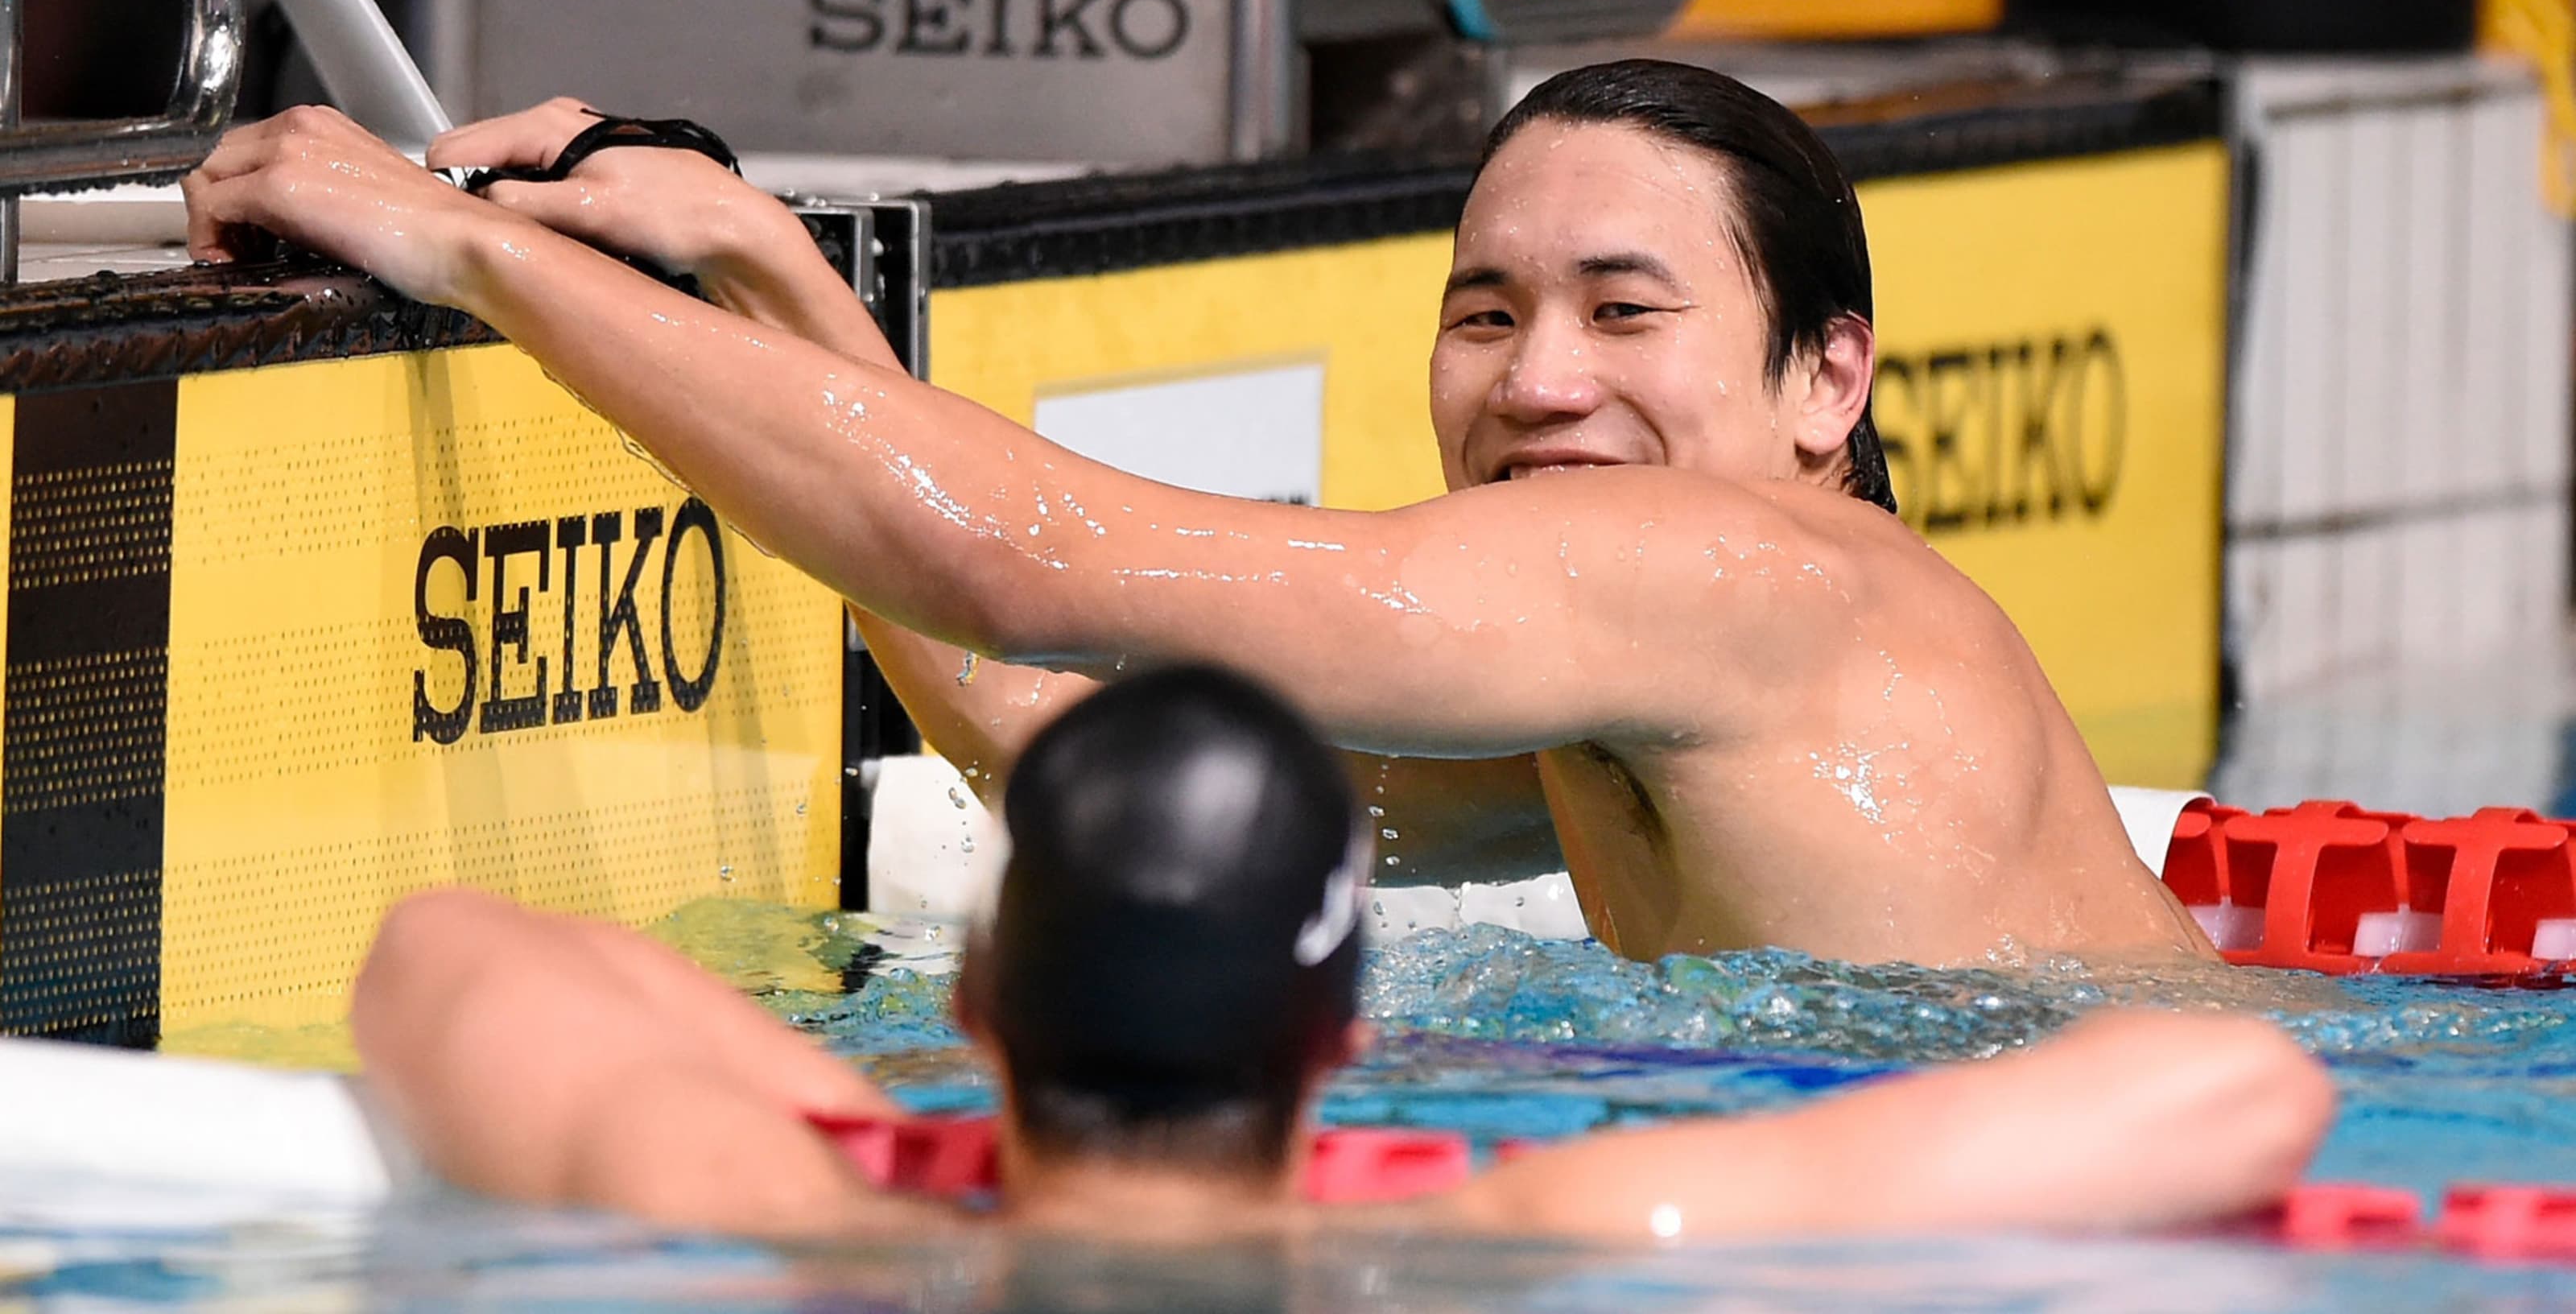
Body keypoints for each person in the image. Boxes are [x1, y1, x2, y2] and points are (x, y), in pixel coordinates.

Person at [183, 60, 2212, 966]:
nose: (1539, 379)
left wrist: (475, 263)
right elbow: (1059, 737)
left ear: (1827, 382)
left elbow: (1022, 561)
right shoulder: (1671, 700)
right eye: (1484, 310)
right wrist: (771, 271)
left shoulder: (1729, 569)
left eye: (1626, 311)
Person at [353, 664, 2332, 1244]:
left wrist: (834, 1156)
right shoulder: (1528, 1244)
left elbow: (444, 953)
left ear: (972, 1008)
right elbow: (2240, 1082)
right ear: (1352, 1031)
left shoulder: (781, 1212)